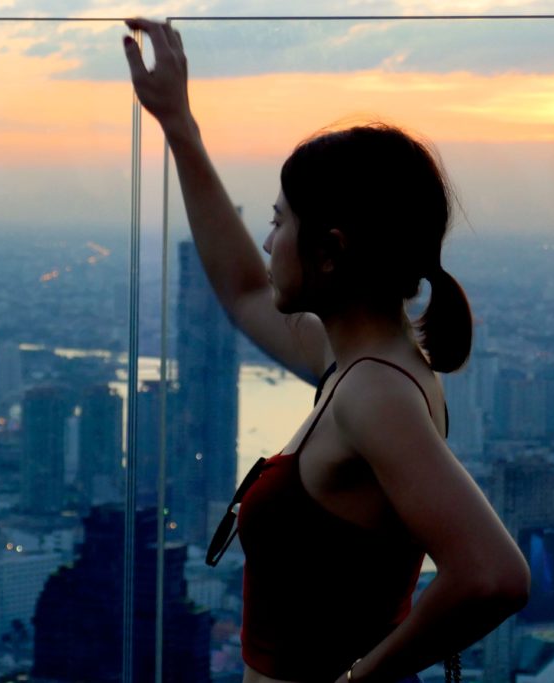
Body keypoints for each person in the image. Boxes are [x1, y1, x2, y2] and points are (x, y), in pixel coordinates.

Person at [123, 18, 531, 683]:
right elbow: (243, 290)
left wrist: (358, 680)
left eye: (281, 221)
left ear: (332, 249)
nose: (267, 240)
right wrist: (179, 126)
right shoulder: (358, 363)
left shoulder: (374, 393)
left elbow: (495, 575)